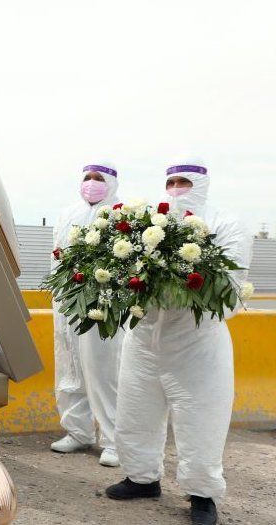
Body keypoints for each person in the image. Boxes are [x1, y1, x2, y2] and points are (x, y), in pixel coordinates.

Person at [105, 158, 252, 525]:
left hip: (196, 338)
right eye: (171, 180)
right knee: (136, 409)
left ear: (202, 183)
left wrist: (179, 281)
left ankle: (202, 494)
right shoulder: (148, 219)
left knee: (200, 415)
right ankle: (141, 478)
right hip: (144, 335)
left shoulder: (227, 223)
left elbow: (230, 290)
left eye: (184, 181)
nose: (176, 188)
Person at [49, 162, 123, 467]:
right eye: (87, 178)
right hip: (67, 301)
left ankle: (114, 441)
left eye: (98, 178)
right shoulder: (68, 214)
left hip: (102, 304)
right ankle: (77, 432)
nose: (91, 183)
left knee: (105, 372)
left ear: (112, 183)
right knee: (70, 367)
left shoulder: (121, 213)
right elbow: (56, 255)